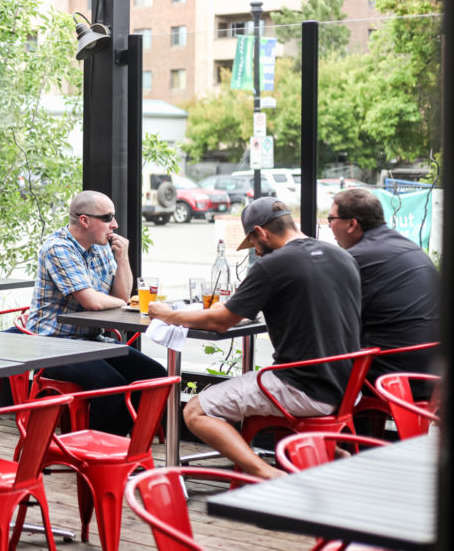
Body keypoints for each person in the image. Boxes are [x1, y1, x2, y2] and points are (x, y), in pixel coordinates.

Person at [149, 197, 361, 478]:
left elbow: (221, 321)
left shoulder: (272, 265)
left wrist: (168, 314)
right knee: (252, 389)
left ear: (260, 232)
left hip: (303, 387)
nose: (257, 253)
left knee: (196, 410)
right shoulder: (342, 256)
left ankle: (270, 475)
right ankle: (334, 458)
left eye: (255, 245)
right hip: (348, 388)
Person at [24, 190, 166, 435]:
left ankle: (126, 446)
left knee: (154, 375)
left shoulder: (101, 245)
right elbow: (92, 301)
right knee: (110, 383)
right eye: (107, 217)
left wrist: (123, 260)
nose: (115, 224)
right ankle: (99, 452)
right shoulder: (58, 248)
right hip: (53, 345)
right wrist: (120, 303)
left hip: (90, 340)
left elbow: (120, 296)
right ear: (85, 221)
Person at [329, 187, 439, 387]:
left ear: (352, 224)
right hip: (433, 372)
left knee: (309, 381)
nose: (329, 226)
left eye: (331, 219)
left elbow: (327, 317)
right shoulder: (411, 247)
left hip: (393, 377)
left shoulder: (356, 258)